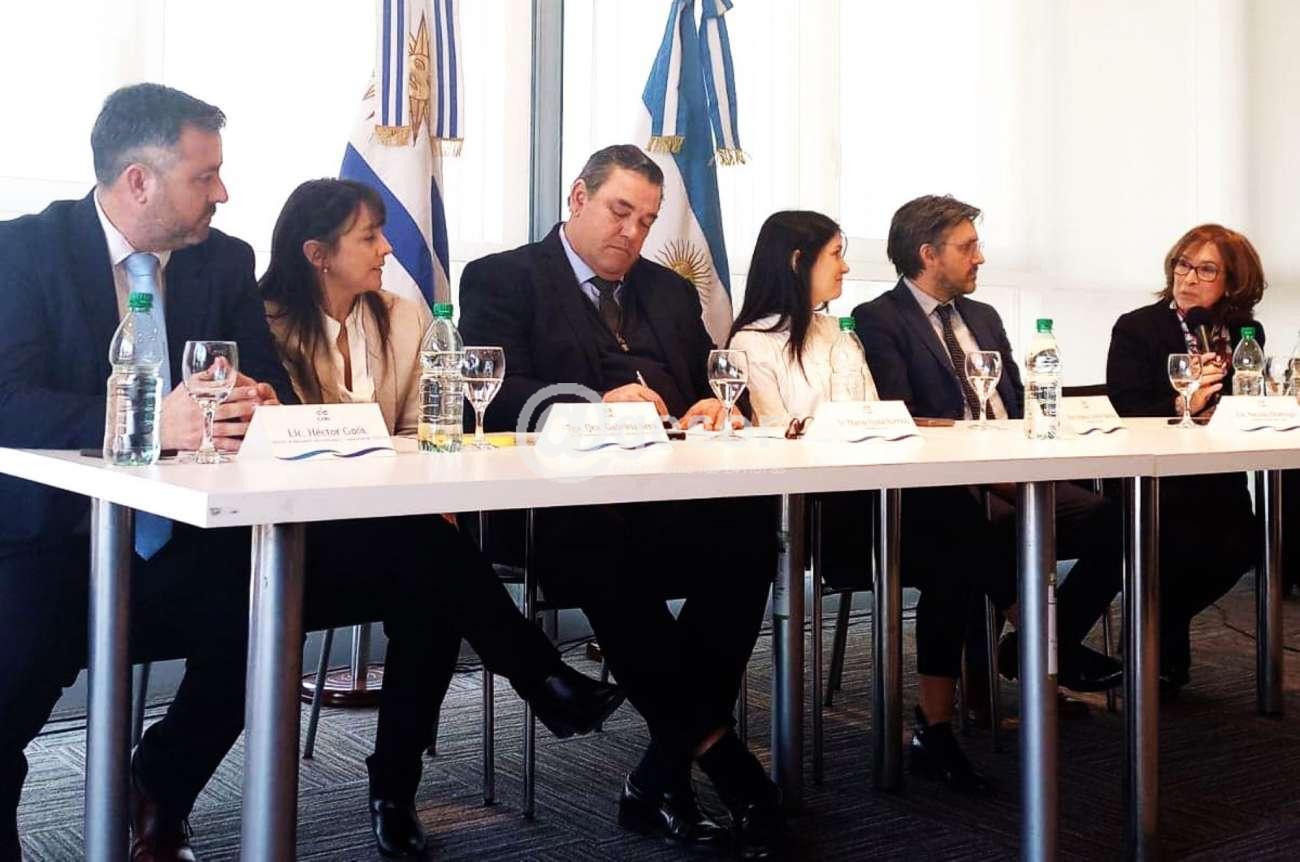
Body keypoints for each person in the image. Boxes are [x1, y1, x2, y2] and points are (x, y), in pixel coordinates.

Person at [0, 85, 620, 862]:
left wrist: (257, 399)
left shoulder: (223, 260)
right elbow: (9, 400)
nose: (223, 193)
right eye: (205, 176)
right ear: (139, 181)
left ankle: (161, 781)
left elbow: (265, 383)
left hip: (195, 536)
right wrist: (150, 422)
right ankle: (544, 680)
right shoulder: (24, 251)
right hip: (53, 543)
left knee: (390, 562)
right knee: (13, 691)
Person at [261, 176, 626, 857]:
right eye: (369, 236)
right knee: (434, 567)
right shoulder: (267, 325)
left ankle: (398, 789)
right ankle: (530, 686)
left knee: (429, 579)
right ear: (317, 253)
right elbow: (280, 447)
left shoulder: (403, 319)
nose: (386, 248)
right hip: (300, 540)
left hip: (393, 532)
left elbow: (425, 431)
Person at [458, 145, 783, 857]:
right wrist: (594, 404)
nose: (632, 233)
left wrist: (713, 406)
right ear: (578, 198)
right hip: (550, 508)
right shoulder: (504, 277)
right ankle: (724, 766)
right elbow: (490, 399)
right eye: (620, 212)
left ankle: (662, 772)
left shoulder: (668, 291)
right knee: (602, 547)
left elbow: (711, 383)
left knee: (752, 531)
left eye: (647, 221)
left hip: (662, 495)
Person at [729, 210, 1018, 794]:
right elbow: (780, 438)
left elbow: (873, 418)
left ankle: (936, 725)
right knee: (963, 533)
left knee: (960, 541)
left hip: (875, 497)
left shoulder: (839, 334)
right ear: (798, 262)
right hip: (816, 515)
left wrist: (849, 428)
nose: (845, 266)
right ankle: (1034, 639)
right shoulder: (749, 345)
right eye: (835, 254)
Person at [852, 194, 1124, 696]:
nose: (980, 257)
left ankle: (1043, 644)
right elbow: (899, 414)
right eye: (968, 247)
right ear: (928, 254)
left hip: (1017, 469)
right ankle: (1040, 656)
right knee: (984, 531)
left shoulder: (983, 315)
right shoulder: (879, 318)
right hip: (944, 486)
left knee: (1119, 523)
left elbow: (1016, 400)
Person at [1106, 223, 1264, 693]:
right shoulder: (1137, 327)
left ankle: (1159, 625)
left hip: (1216, 474)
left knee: (1245, 547)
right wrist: (1183, 404)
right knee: (1176, 545)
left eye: (1206, 270)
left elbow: (1247, 399)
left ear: (1232, 282)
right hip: (1154, 476)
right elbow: (1128, 408)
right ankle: (1156, 647)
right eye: (1183, 265)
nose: (1189, 277)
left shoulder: (1244, 332)